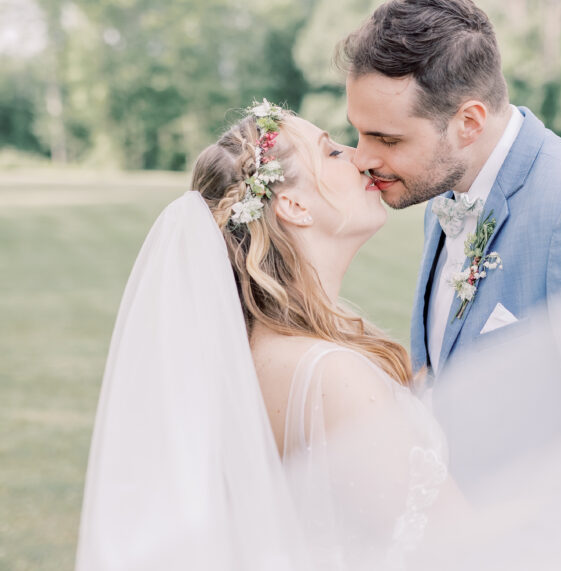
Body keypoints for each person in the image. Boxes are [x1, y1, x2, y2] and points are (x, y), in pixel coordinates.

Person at [76, 101, 463, 570]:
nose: (359, 156)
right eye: (332, 152)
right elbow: (458, 549)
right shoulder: (330, 375)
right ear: (294, 206)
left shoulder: (247, 355)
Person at [341, 0, 561, 485]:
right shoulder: (441, 199)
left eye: (387, 139)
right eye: (359, 131)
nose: (361, 157)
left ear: (468, 122)